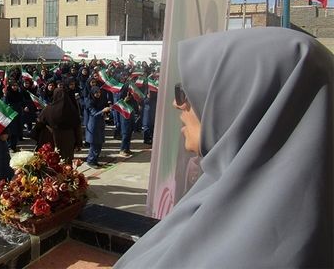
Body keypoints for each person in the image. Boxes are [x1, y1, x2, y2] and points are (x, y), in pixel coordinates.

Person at [114, 27, 334, 269]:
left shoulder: (251, 248)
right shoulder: (231, 188)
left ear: (241, 99)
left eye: (185, 92)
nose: (177, 104)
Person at [37, 87, 82, 163]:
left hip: (51, 139)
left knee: (52, 162)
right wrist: (79, 143)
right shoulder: (72, 110)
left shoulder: (48, 109)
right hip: (68, 139)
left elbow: (39, 122)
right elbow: (77, 128)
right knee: (66, 162)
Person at [84, 86, 110, 169]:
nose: (98, 94)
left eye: (99, 92)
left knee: (99, 144)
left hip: (100, 124)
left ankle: (95, 160)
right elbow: (94, 113)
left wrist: (105, 112)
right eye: (96, 93)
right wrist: (103, 111)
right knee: (94, 144)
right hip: (93, 125)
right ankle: (90, 161)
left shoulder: (100, 100)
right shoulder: (90, 102)